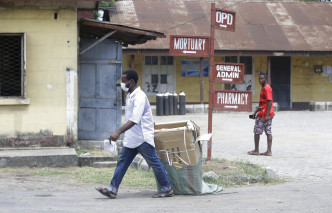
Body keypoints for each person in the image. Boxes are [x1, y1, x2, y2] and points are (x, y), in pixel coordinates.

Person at [96, 69, 173, 199]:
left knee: (154, 163)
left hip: (142, 137)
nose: (122, 84)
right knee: (122, 162)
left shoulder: (140, 97)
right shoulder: (130, 96)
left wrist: (118, 132)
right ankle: (112, 189)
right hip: (131, 138)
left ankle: (167, 188)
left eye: (124, 81)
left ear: (131, 82)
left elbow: (134, 119)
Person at [248, 73, 275, 156]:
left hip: (264, 115)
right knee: (268, 131)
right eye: (259, 79)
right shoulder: (264, 88)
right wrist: (255, 112)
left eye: (262, 79)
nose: (260, 80)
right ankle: (268, 151)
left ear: (266, 79)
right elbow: (262, 103)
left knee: (257, 131)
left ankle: (256, 150)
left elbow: (270, 102)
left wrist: (266, 115)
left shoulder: (266, 88)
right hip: (266, 113)